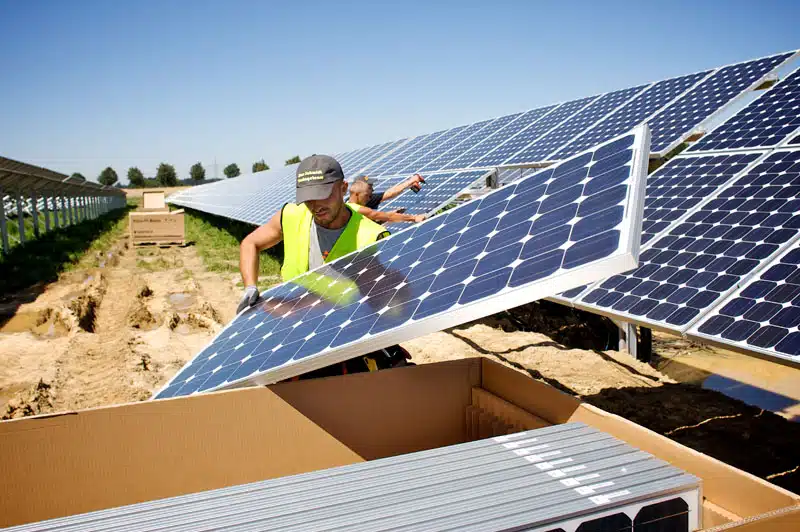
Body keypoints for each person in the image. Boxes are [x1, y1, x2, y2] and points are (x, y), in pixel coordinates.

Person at [237, 154, 411, 378]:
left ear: (343, 188)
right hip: (295, 331)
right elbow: (250, 243)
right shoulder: (291, 216)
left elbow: (370, 302)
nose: (315, 206)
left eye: (323, 196)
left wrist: (297, 306)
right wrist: (250, 286)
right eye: (308, 198)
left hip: (345, 336)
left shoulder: (372, 236)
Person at [348, 174, 428, 225]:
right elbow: (390, 194)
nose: (372, 190)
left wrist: (384, 218)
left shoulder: (363, 200)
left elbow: (367, 222)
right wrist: (413, 218)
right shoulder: (353, 209)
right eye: (369, 187)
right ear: (357, 192)